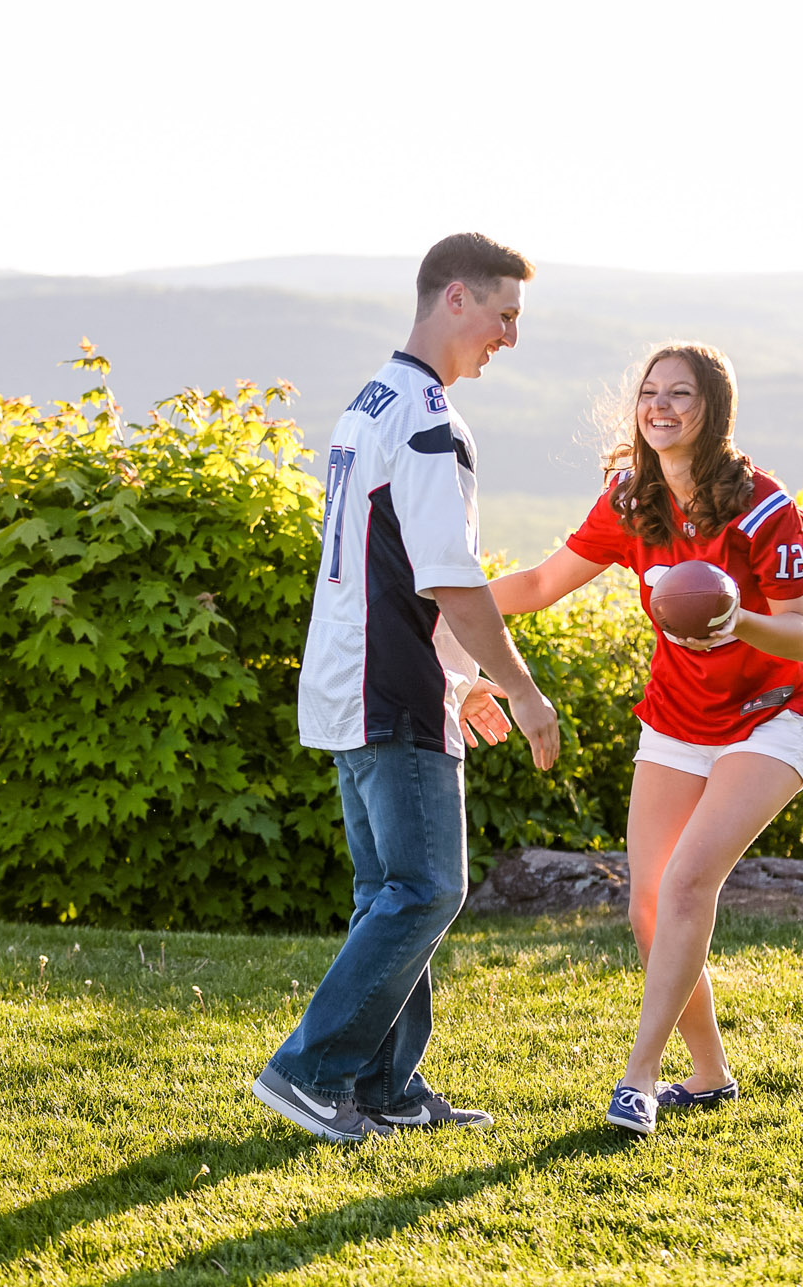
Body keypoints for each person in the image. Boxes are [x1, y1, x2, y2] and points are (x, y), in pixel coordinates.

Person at [252, 233, 561, 1143]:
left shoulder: (369, 401)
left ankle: (382, 1086)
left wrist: (458, 676)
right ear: (455, 298)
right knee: (427, 889)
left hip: (357, 681)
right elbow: (450, 580)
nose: (510, 337)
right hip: (393, 687)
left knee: (391, 888)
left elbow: (384, 564)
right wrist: (519, 689)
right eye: (505, 316)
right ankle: (306, 1071)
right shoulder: (427, 417)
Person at [488, 342, 803, 1137]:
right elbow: (538, 584)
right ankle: (709, 1073)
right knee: (646, 903)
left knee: (684, 886)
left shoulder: (766, 510)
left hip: (770, 717)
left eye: (682, 394)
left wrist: (736, 618)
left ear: (714, 411)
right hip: (676, 721)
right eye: (650, 392)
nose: (660, 406)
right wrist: (445, 604)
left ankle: (638, 1077)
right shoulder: (631, 499)